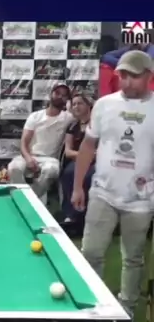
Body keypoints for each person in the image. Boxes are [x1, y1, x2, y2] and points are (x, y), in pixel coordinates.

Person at [72, 50, 154, 317]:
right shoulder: (104, 105)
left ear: (148, 76)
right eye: (123, 75)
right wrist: (77, 186)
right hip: (103, 193)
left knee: (133, 258)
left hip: (141, 198)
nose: (127, 82)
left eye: (134, 76)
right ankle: (94, 305)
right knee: (91, 252)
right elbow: (88, 145)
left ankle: (127, 308)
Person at [8, 83, 73, 199]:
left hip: (50, 159)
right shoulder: (35, 116)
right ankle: (22, 197)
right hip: (29, 156)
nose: (60, 97)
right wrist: (28, 158)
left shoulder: (68, 117)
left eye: (64, 95)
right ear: (50, 94)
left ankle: (30, 199)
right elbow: (24, 142)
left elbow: (84, 115)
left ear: (67, 99)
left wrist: (71, 105)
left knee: (50, 170)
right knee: (14, 167)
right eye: (57, 93)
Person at [60, 93, 94, 232]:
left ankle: (87, 217)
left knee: (89, 177)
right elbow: (68, 152)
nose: (76, 107)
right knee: (69, 173)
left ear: (88, 105)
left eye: (80, 103)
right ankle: (70, 216)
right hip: (78, 161)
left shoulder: (97, 124)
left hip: (96, 161)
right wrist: (83, 156)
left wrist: (90, 156)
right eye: (74, 104)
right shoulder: (72, 126)